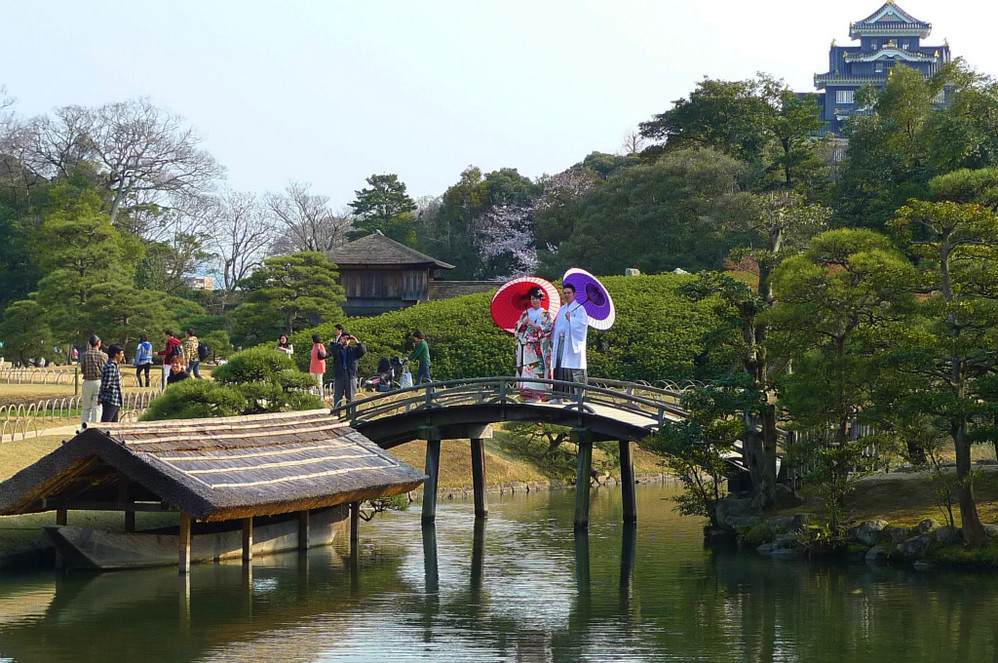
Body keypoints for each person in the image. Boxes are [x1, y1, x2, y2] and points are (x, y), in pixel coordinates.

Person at [550, 283, 589, 403]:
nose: (567, 295)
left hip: (572, 345)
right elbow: (557, 326)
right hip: (561, 342)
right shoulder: (562, 309)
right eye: (565, 293)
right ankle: (558, 396)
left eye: (569, 293)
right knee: (559, 367)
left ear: (574, 294)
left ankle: (575, 397)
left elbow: (583, 325)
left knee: (572, 369)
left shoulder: (580, 309)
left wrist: (571, 319)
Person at [514, 287, 555, 401]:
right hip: (528, 346)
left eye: (537, 298)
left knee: (539, 370)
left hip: (539, 347)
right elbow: (517, 329)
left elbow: (549, 328)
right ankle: (530, 394)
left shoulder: (546, 314)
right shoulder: (525, 313)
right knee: (528, 369)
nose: (535, 301)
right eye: (532, 299)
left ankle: (538, 395)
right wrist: (523, 324)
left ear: (541, 299)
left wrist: (535, 326)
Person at [331, 333, 367, 408]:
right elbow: (332, 350)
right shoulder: (337, 348)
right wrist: (340, 343)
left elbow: (363, 351)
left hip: (350, 375)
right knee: (337, 396)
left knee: (350, 397)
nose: (345, 341)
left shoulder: (353, 349)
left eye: (347, 339)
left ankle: (350, 415)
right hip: (339, 375)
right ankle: (337, 414)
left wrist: (357, 341)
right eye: (343, 338)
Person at [80, 334, 107, 424]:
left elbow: (82, 369)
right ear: (98, 343)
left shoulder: (85, 355)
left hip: (87, 382)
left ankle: (83, 428)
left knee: (86, 407)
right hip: (99, 381)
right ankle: (95, 427)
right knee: (97, 407)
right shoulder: (103, 355)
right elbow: (105, 369)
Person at [98, 343, 125, 422]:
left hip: (115, 400)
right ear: (116, 354)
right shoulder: (111, 367)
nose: (123, 355)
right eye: (121, 353)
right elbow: (105, 385)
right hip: (110, 400)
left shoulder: (114, 365)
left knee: (113, 426)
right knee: (106, 425)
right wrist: (100, 396)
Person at [310, 333, 328, 398]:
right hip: (313, 365)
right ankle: (313, 394)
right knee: (312, 381)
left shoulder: (320, 346)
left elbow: (323, 355)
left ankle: (321, 395)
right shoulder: (314, 346)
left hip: (319, 366)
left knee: (319, 381)